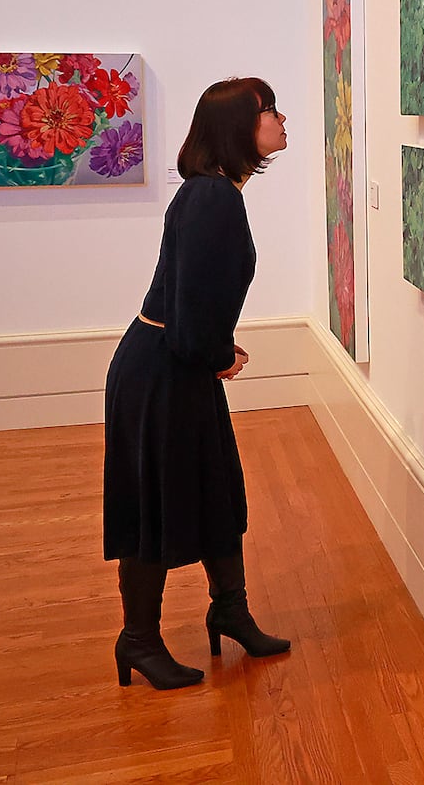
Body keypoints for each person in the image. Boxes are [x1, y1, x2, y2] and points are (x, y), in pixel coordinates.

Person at [102, 76, 292, 690]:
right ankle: (137, 640)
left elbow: (195, 302)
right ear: (242, 128)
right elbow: (189, 316)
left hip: (173, 360)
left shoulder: (211, 195)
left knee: (217, 488)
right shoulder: (213, 200)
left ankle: (230, 611)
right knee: (154, 499)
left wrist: (212, 347)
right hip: (162, 372)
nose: (280, 120)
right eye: (269, 111)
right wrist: (215, 356)